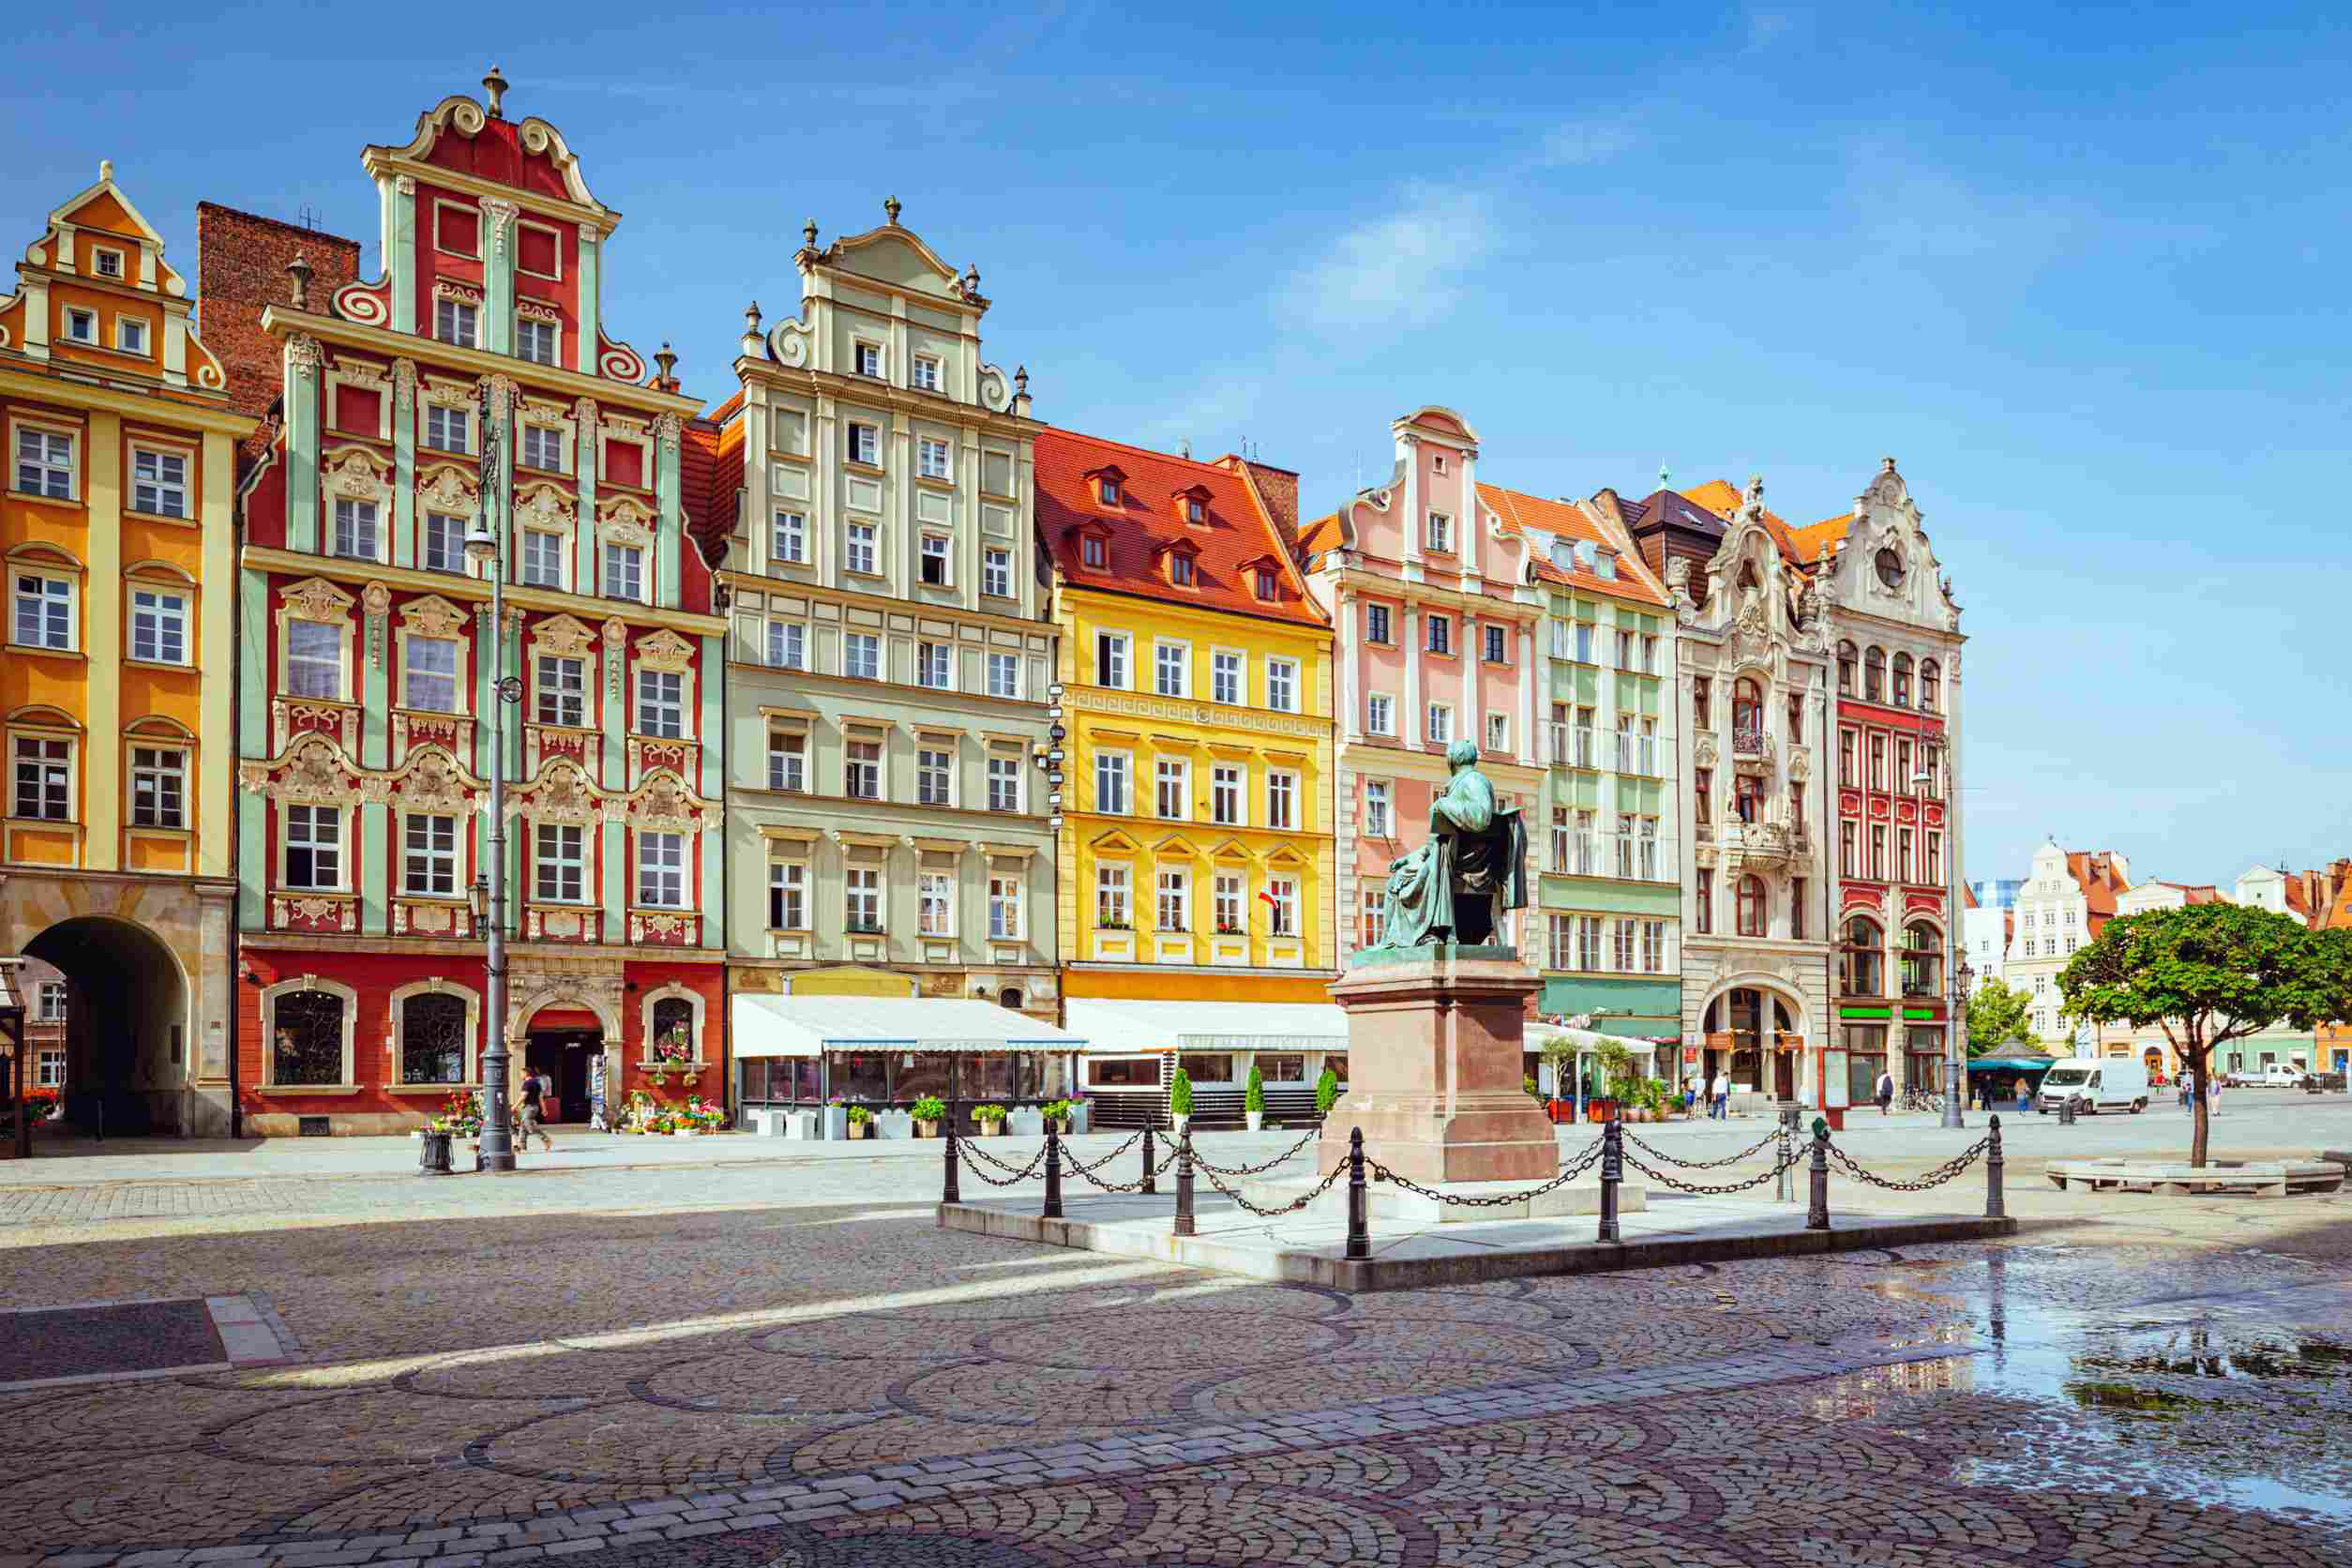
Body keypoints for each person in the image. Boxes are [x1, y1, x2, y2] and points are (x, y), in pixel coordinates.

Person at [516, 1071, 553, 1153]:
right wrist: (544, 1109)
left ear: (526, 1073)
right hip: (534, 1107)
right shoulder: (537, 1083)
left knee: (529, 1126)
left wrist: (515, 1106)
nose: (520, 1075)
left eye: (521, 1073)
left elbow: (523, 1096)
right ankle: (521, 1147)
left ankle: (546, 1139)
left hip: (529, 1108)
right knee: (523, 1127)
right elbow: (540, 1098)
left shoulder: (527, 1083)